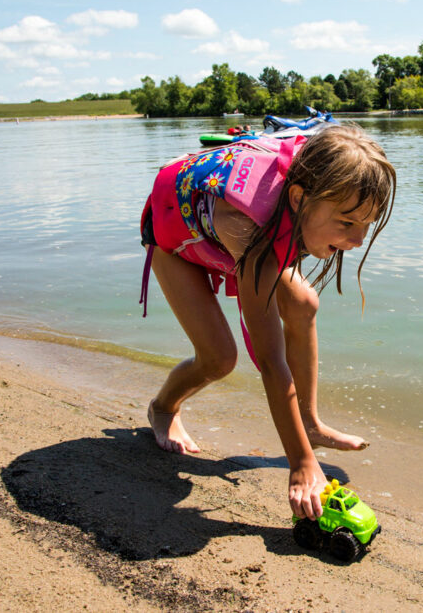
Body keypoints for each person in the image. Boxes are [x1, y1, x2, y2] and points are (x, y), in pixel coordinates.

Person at [139, 124, 396, 520]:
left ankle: (309, 422)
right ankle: (163, 408)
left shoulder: (305, 196)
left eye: (367, 224)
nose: (358, 240)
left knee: (304, 304)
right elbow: (272, 362)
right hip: (176, 236)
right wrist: (301, 464)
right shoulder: (248, 228)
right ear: (298, 197)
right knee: (219, 359)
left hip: (230, 234)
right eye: (346, 224)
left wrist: (303, 441)